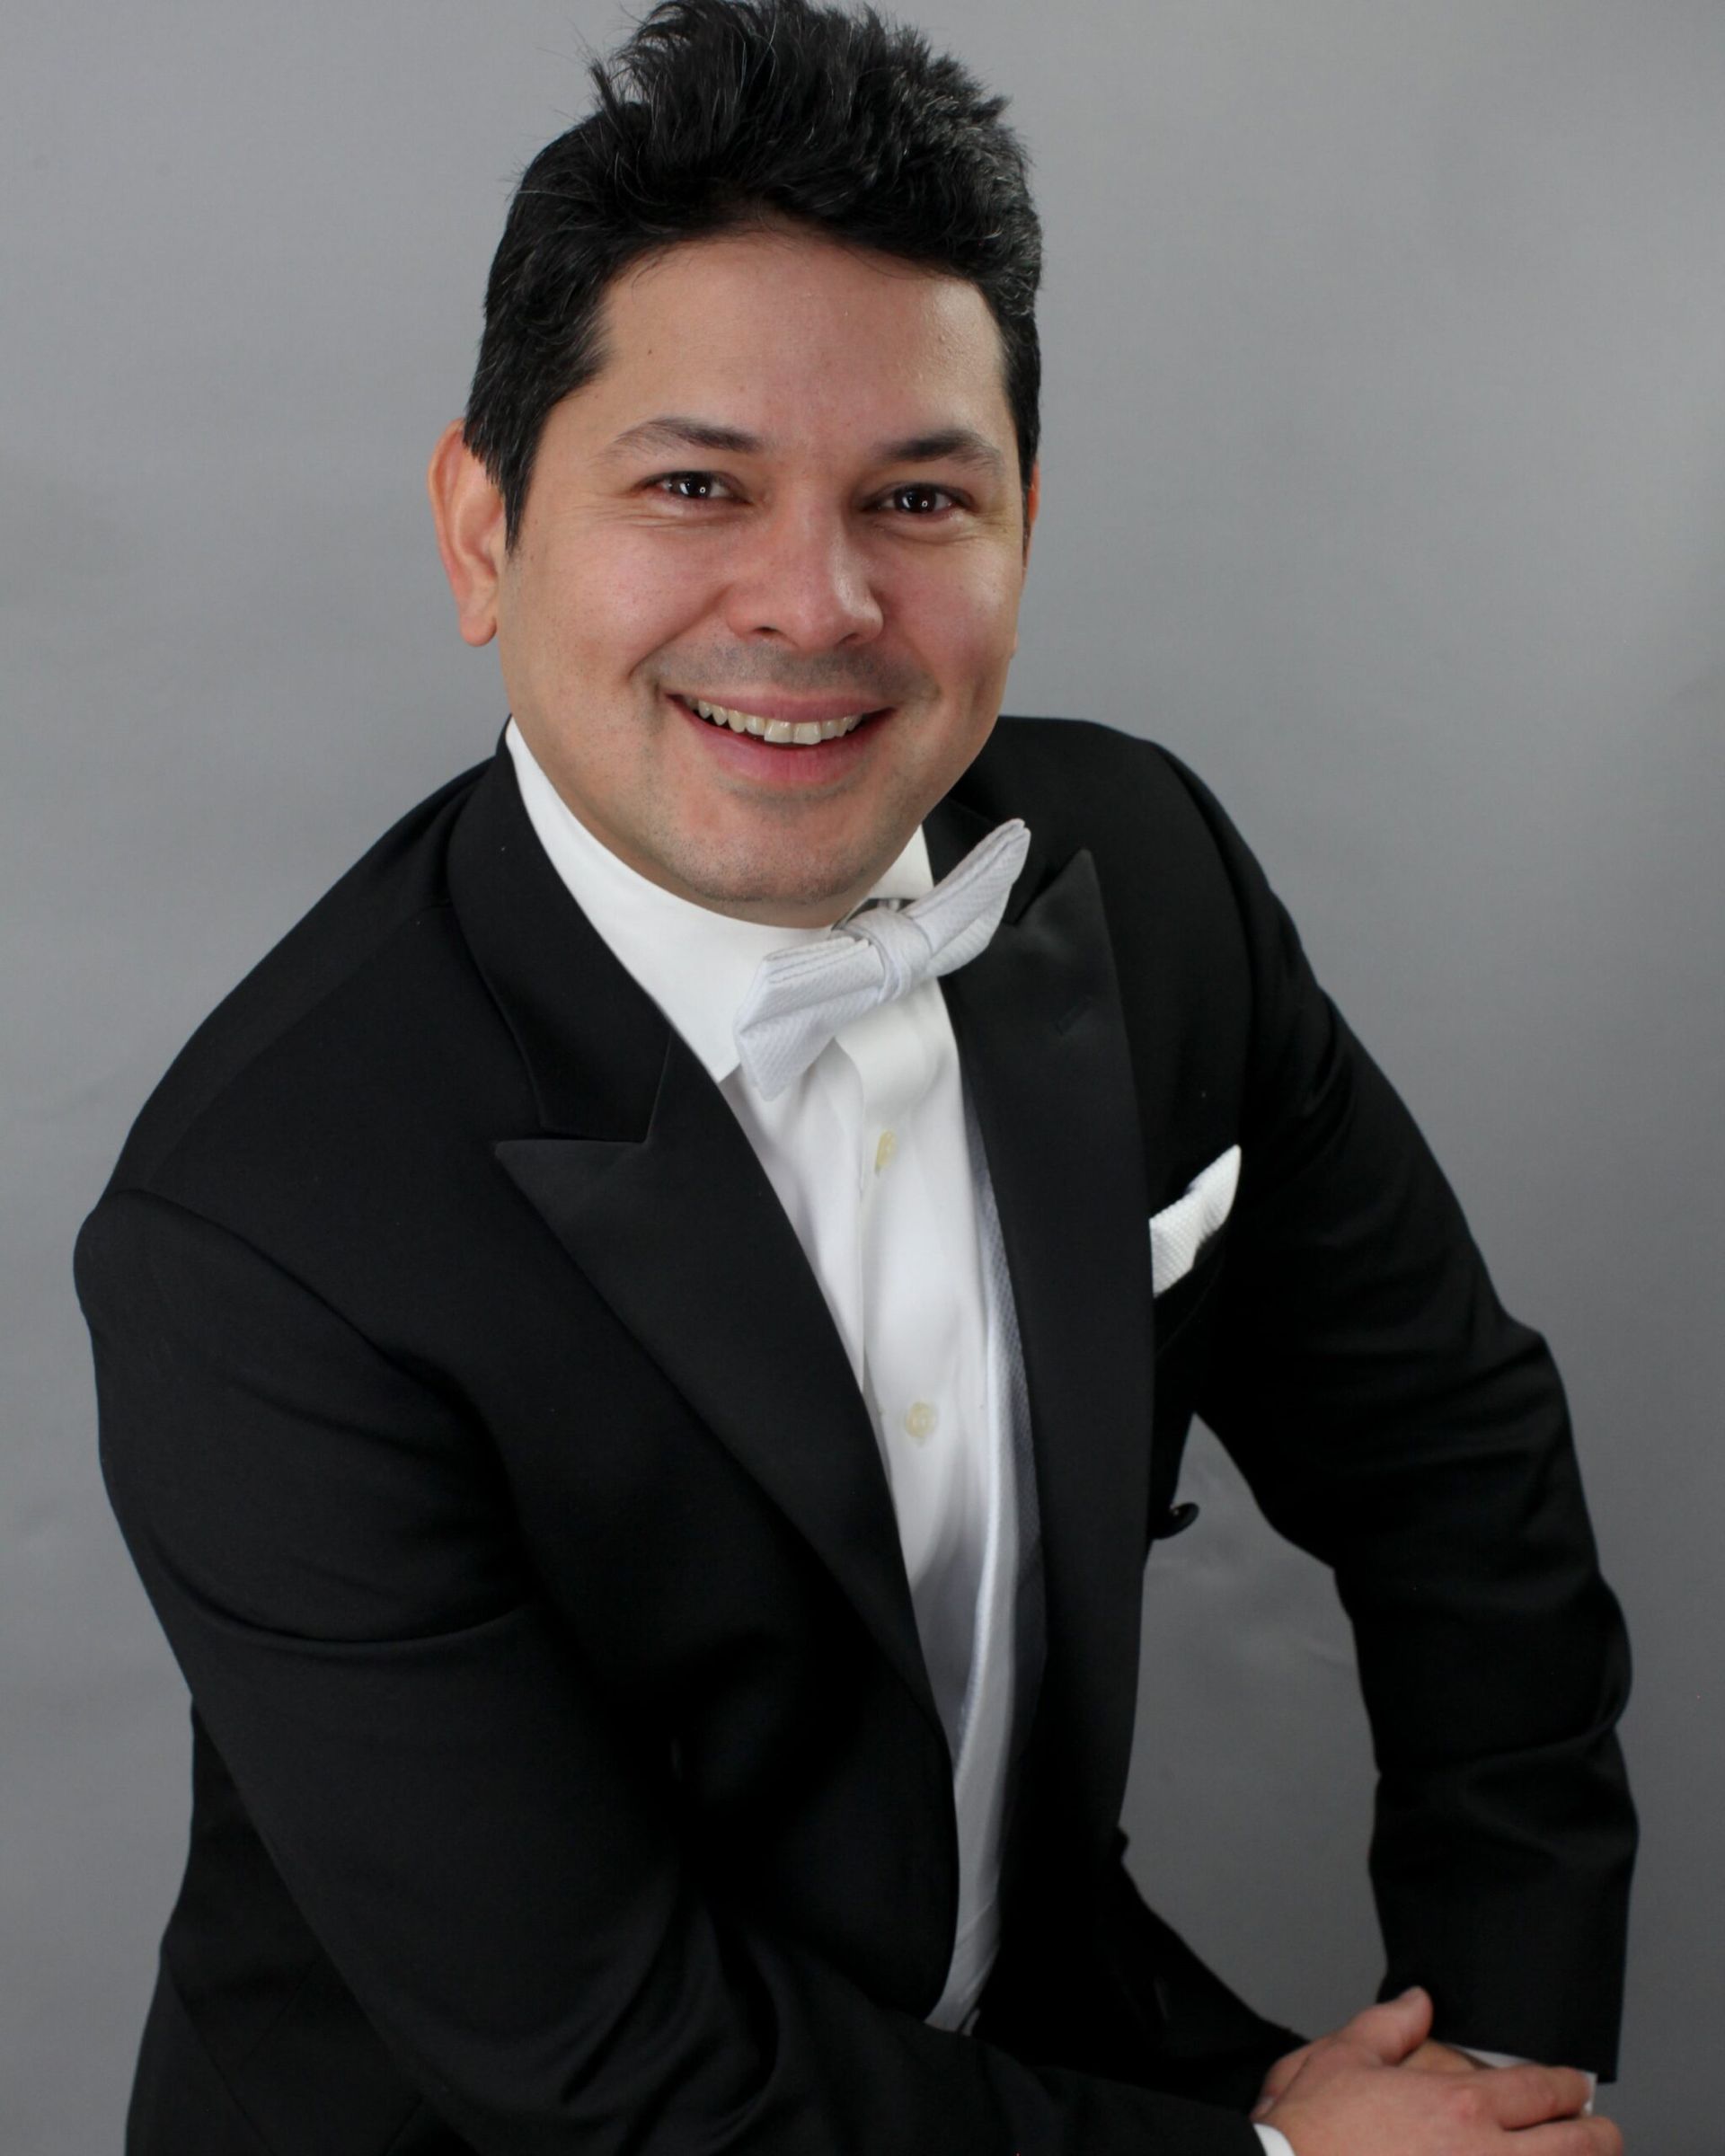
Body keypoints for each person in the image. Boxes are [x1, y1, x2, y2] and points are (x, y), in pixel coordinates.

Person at [75, 2, 1635, 2150]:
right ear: (479, 530)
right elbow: (609, 2056)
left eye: (918, 496)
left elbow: (1456, 1467)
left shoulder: (1149, 877)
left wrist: (1501, 2056)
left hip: (1041, 2063)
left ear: (1020, 525)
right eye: (696, 484)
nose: (816, 606)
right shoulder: (258, 1234)